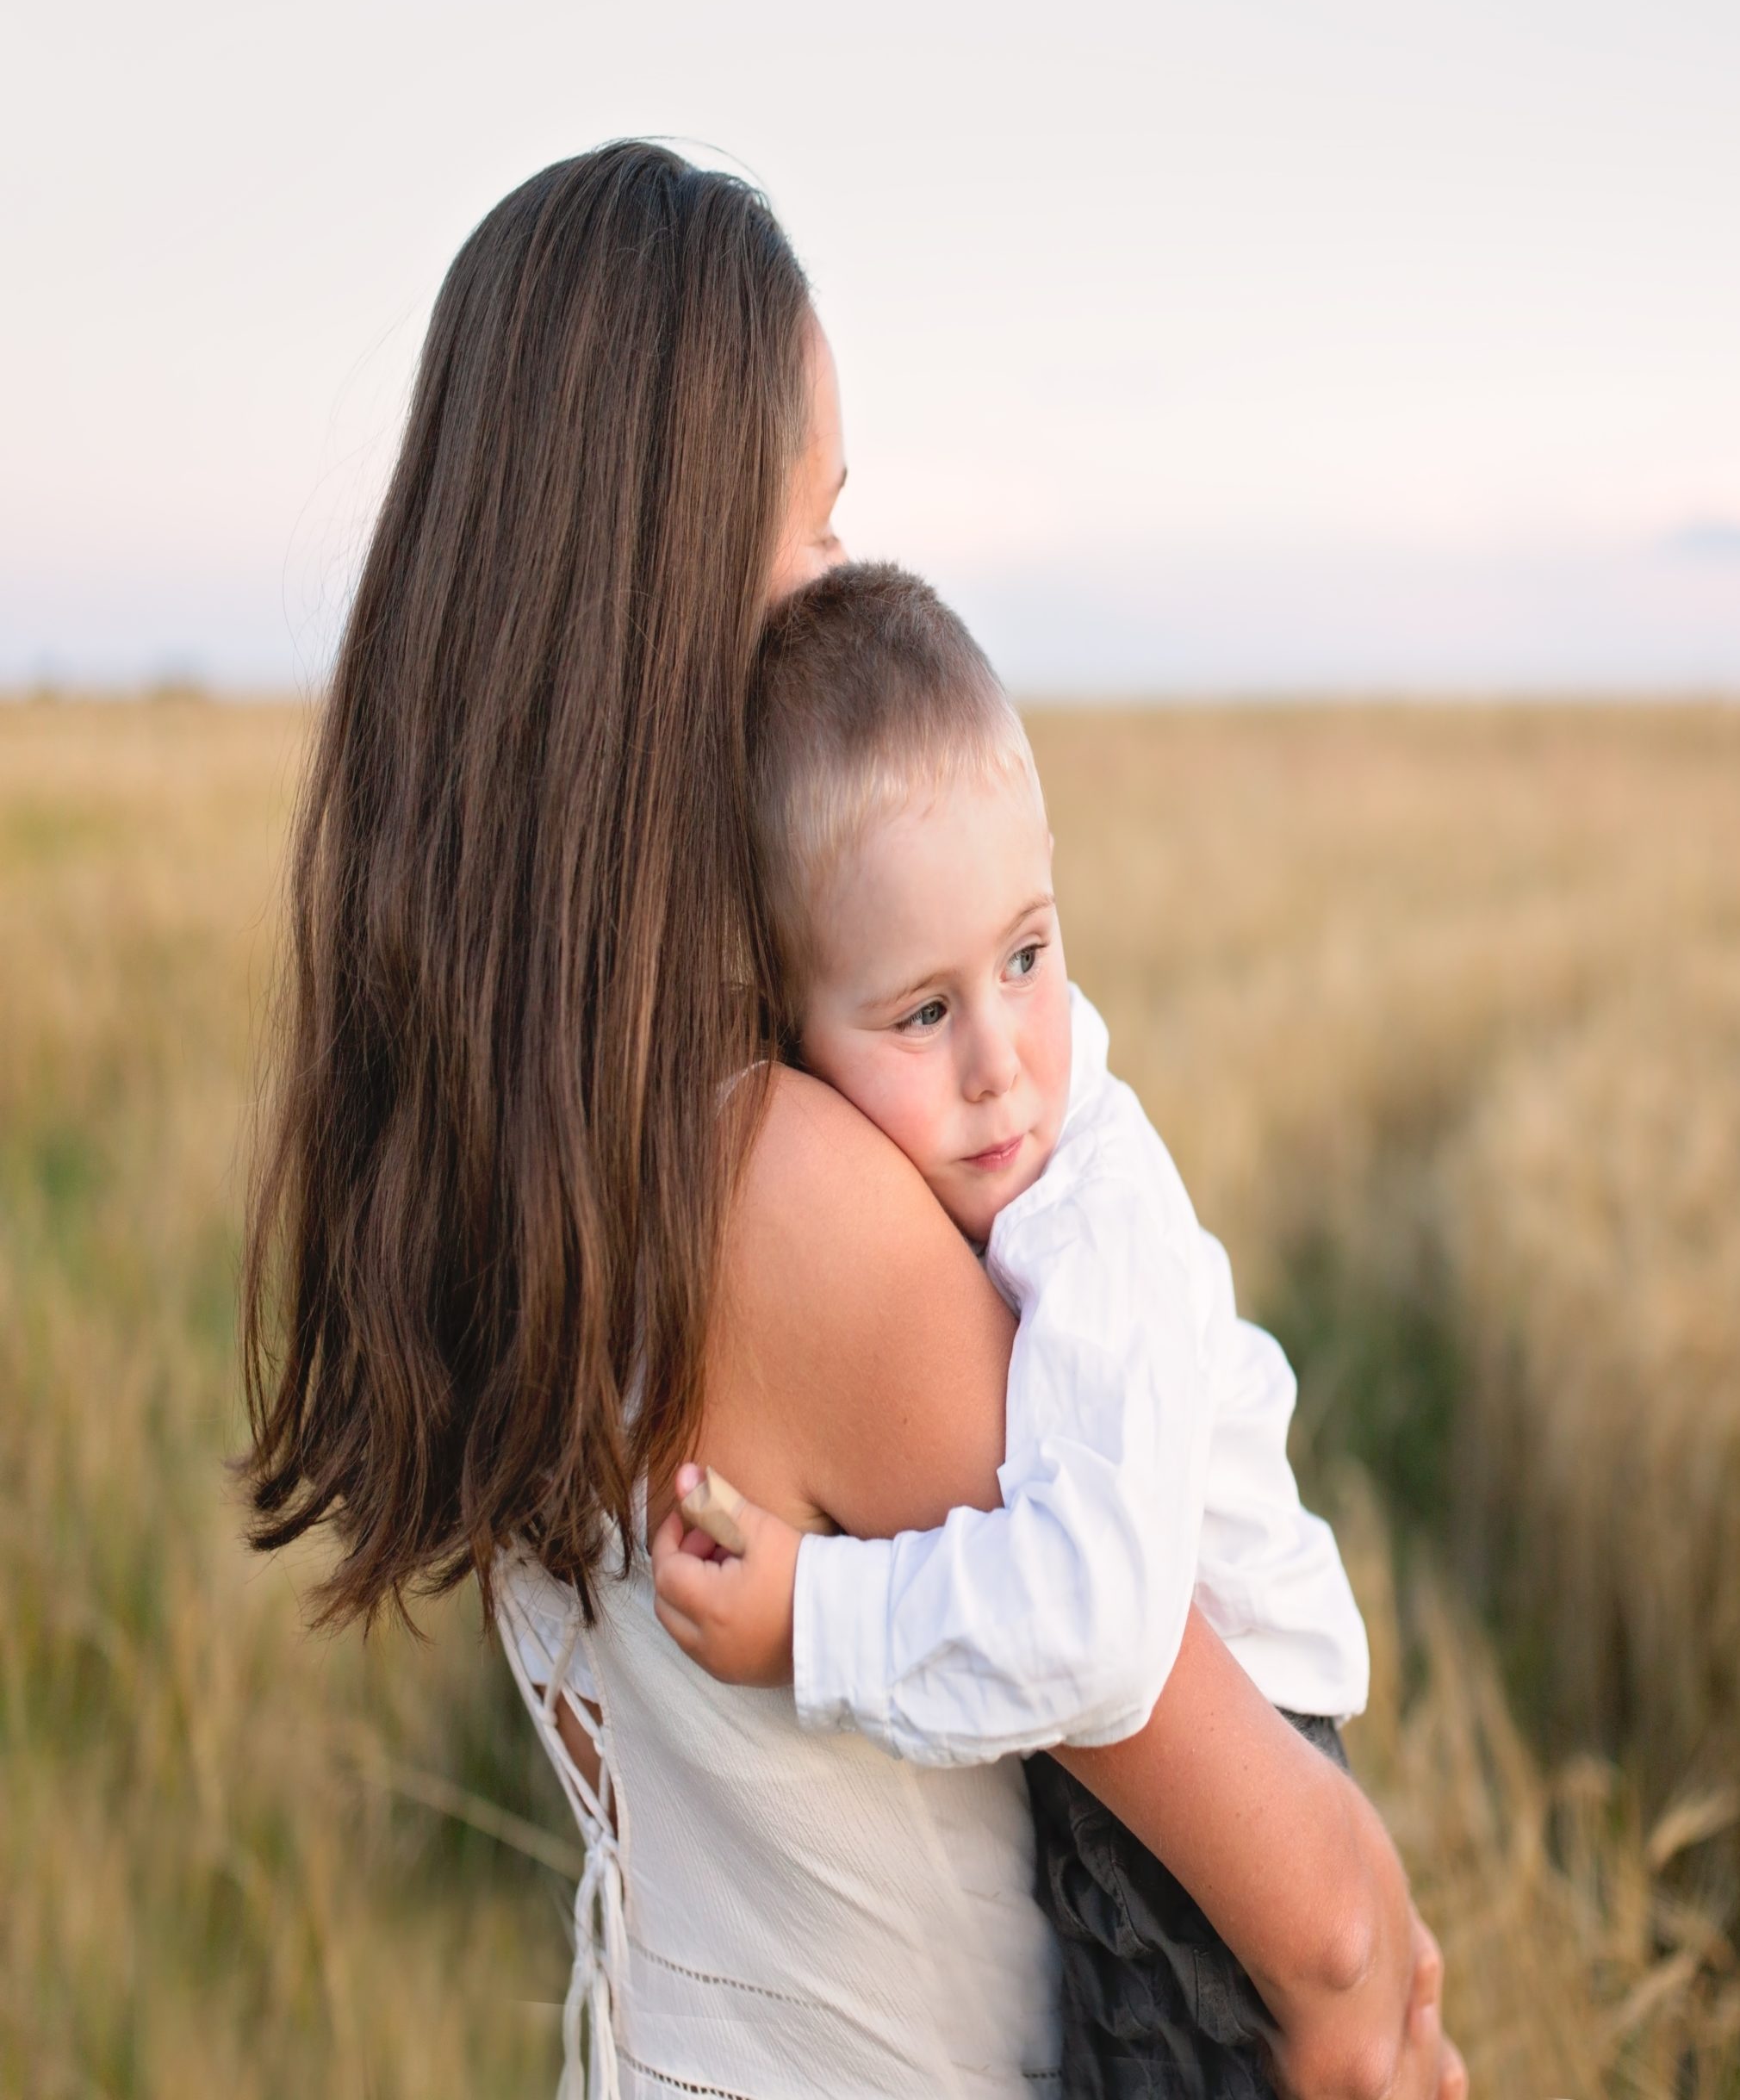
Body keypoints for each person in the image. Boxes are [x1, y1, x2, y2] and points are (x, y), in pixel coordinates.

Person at [239, 138, 1465, 2100]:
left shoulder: (498, 1145)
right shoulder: (785, 1200)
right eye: (809, 532)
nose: (848, 598)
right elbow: (1305, 1891)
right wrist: (1360, 1982)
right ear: (649, 601)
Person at [652, 558, 1372, 2097]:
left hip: (1214, 1816)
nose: (1002, 1065)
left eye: (1029, 958)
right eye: (922, 1013)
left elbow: (1106, 1634)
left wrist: (813, 1617)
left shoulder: (1086, 1212)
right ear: (785, 1027)